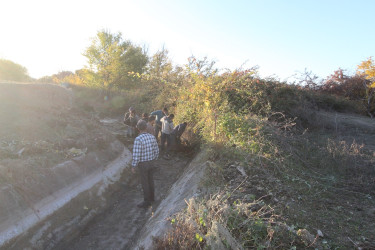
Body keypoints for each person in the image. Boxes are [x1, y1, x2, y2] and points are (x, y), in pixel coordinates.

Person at [131, 120, 159, 208]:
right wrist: (154, 159)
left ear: (138, 128)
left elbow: (136, 154)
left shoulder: (138, 139)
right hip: (151, 162)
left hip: (143, 164)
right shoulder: (152, 137)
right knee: (151, 180)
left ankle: (147, 201)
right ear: (146, 128)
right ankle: (152, 198)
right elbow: (156, 150)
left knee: (145, 182)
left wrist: (134, 165)